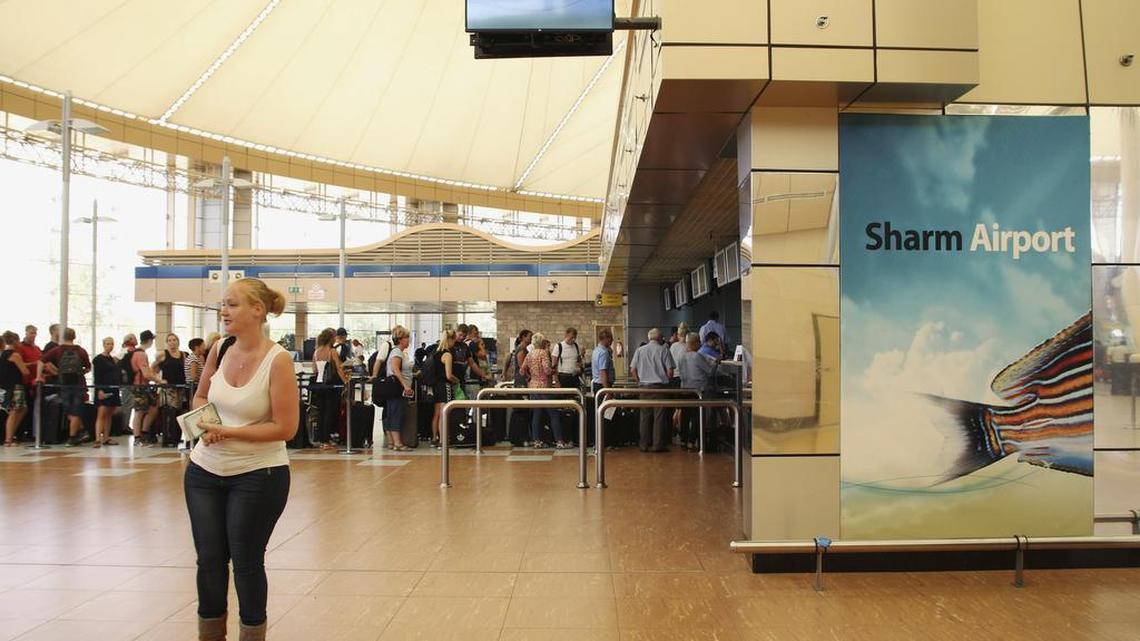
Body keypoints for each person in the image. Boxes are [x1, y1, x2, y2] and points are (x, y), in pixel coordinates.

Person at [185, 277, 296, 641]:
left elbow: (285, 427)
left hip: (257, 474)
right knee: (210, 561)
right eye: (223, 304)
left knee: (246, 563)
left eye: (232, 304)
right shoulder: (219, 349)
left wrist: (230, 432)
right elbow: (200, 398)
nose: (224, 311)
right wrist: (208, 424)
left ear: (258, 310)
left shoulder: (277, 360)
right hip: (204, 470)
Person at [40, 328, 92, 447]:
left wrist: (40, 375)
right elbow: (88, 367)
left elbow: (41, 361)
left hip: (64, 384)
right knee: (77, 411)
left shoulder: (57, 350)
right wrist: (80, 373)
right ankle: (74, 436)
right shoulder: (81, 351)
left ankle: (79, 433)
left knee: (68, 410)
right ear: (74, 337)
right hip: (79, 384)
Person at [629, 328, 675, 452]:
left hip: (644, 387)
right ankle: (657, 445)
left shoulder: (640, 350)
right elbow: (670, 371)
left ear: (649, 338)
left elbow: (633, 369)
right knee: (659, 417)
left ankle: (643, 444)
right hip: (660, 388)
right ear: (659, 338)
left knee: (644, 416)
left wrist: (639, 382)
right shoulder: (664, 349)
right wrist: (666, 379)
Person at [522, 333, 568, 449]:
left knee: (536, 414)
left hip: (533, 387)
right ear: (542, 342)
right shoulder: (543, 353)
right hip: (544, 387)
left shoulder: (529, 354)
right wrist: (554, 370)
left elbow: (522, 370)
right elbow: (547, 370)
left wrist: (530, 377)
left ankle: (536, 440)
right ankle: (559, 441)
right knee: (553, 414)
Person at [676, 333, 717, 451]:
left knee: (685, 415)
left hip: (685, 388)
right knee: (696, 417)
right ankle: (691, 441)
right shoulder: (697, 356)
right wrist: (715, 363)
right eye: (698, 341)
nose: (700, 344)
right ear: (694, 343)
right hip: (697, 390)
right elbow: (709, 371)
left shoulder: (681, 356)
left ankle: (683, 440)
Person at [311, 328, 348, 451]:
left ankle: (322, 440)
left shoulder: (316, 351)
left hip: (319, 385)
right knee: (329, 413)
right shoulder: (332, 351)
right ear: (331, 338)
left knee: (321, 412)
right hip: (330, 385)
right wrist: (346, 382)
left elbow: (314, 370)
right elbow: (338, 368)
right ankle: (326, 440)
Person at [125, 331, 162, 445]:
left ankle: (144, 432)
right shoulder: (141, 354)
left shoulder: (137, 353)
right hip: (139, 386)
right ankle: (137, 437)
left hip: (143, 386)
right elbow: (146, 374)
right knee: (139, 411)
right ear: (150, 341)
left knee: (152, 408)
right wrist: (159, 380)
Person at [383, 325, 414, 451]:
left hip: (395, 387)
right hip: (397, 388)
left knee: (392, 413)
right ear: (400, 339)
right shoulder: (397, 352)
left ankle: (391, 442)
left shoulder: (398, 352)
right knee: (396, 413)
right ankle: (398, 443)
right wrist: (405, 385)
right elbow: (395, 369)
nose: (409, 340)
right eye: (407, 337)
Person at [429, 329, 459, 448]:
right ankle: (443, 440)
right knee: (443, 413)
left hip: (436, 386)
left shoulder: (436, 353)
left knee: (436, 414)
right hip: (444, 386)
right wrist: (456, 380)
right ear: (450, 340)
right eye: (454, 341)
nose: (454, 344)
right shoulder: (447, 354)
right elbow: (448, 375)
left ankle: (434, 438)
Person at [1, 331, 31, 447]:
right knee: (14, 412)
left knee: (23, 409)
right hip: (15, 387)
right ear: (15, 341)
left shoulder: (3, 354)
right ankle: (8, 439)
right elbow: (25, 371)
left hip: (6, 386)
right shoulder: (15, 354)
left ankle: (11, 434)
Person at [91, 336, 120, 447]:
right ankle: (98, 438)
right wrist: (100, 390)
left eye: (112, 344)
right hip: (102, 388)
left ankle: (106, 437)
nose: (110, 346)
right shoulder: (98, 359)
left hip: (113, 388)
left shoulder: (113, 359)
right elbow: (97, 376)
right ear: (104, 345)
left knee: (109, 414)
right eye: (108, 344)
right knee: (101, 413)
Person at [153, 333, 188, 413]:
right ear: (167, 342)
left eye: (174, 340)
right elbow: (152, 369)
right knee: (171, 409)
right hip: (168, 387)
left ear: (178, 341)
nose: (172, 342)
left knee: (181, 409)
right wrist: (158, 380)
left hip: (182, 386)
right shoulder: (162, 354)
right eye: (169, 340)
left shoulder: (184, 354)